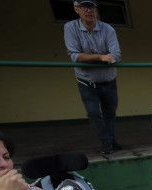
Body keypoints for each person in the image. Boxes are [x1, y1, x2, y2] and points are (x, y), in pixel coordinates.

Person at [64, 0, 122, 154]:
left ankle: (109, 140)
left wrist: (92, 58)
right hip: (86, 81)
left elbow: (115, 55)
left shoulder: (108, 29)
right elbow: (75, 56)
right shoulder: (70, 27)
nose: (88, 11)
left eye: (91, 7)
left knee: (110, 113)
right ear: (76, 10)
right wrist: (101, 57)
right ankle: (107, 142)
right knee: (94, 113)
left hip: (109, 80)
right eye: (84, 7)